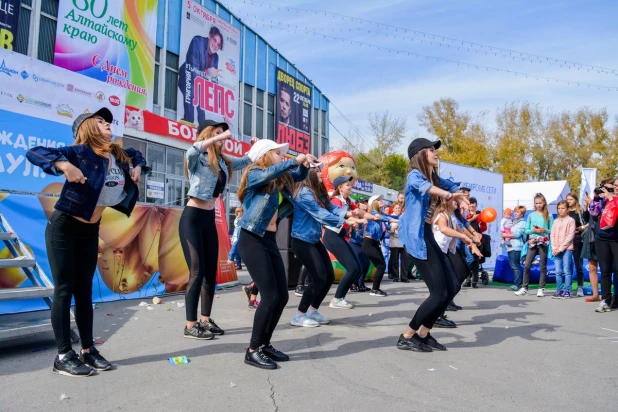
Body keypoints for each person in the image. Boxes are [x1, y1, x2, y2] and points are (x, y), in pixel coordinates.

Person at [26, 108, 149, 377]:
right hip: (64, 228)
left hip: (90, 231)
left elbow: (138, 155)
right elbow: (34, 152)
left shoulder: (118, 155)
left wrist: (138, 167)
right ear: (87, 129)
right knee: (64, 289)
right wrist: (64, 165)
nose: (108, 124)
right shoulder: (78, 153)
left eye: (109, 121)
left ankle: (88, 349)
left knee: (85, 292)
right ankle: (63, 355)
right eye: (101, 121)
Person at [236, 139, 310, 369]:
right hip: (252, 238)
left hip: (268, 239)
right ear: (266, 155)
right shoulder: (254, 173)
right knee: (269, 295)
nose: (281, 156)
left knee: (282, 296)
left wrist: (305, 164)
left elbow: (297, 176)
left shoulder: (278, 179)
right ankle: (253, 349)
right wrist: (292, 161)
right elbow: (277, 171)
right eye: (278, 153)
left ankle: (265, 344)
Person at [180, 120, 253, 340]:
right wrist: (216, 138)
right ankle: (190, 325)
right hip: (192, 219)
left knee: (211, 273)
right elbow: (191, 150)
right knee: (196, 271)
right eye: (217, 133)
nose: (223, 138)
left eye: (223, 134)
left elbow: (244, 162)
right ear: (208, 135)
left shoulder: (222, 161)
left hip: (209, 219)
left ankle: (205, 320)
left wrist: (256, 147)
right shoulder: (197, 157)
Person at [397, 138, 470, 352]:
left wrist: (460, 195)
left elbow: (451, 185)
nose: (435, 153)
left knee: (451, 287)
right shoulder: (415, 176)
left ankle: (424, 333)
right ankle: (406, 336)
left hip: (427, 234)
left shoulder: (433, 176)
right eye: (430, 150)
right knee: (438, 292)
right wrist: (450, 195)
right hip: (417, 237)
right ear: (420, 154)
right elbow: (426, 188)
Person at [291, 168, 363, 326]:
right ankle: (299, 315)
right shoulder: (304, 192)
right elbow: (320, 213)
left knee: (329, 276)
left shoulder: (317, 192)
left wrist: (348, 214)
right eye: (316, 171)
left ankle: (312, 311)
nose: (320, 174)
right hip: (301, 240)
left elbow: (330, 207)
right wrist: (344, 221)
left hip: (314, 239)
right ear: (308, 174)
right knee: (319, 277)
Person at [324, 175, 370, 308]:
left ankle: (340, 298)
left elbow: (360, 212)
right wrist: (357, 220)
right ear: (340, 188)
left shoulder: (348, 200)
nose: (351, 186)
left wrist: (375, 217)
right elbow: (346, 214)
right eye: (347, 185)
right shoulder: (336, 200)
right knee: (352, 268)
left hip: (340, 236)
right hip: (332, 236)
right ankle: (337, 299)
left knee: (357, 268)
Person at [179, 27, 225, 125]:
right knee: (190, 110)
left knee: (202, 111)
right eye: (214, 40)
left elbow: (214, 84)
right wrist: (208, 71)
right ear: (209, 36)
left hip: (199, 84)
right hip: (187, 77)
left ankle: (203, 132)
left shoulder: (216, 57)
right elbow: (192, 70)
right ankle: (187, 124)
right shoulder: (197, 42)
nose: (216, 45)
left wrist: (224, 112)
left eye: (218, 44)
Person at [515, 193, 553, 297]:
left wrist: (544, 230)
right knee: (527, 265)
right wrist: (533, 230)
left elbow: (552, 230)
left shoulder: (548, 215)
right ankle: (524, 288)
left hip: (543, 242)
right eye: (536, 203)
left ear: (544, 202)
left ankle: (541, 288)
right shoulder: (531, 215)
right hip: (532, 242)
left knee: (542, 266)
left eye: (540, 203)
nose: (538, 205)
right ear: (534, 204)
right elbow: (526, 231)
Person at [588, 178, 618, 313]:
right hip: (602, 238)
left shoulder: (613, 199)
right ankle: (605, 300)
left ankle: (616, 297)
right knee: (605, 270)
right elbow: (593, 213)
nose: (616, 188)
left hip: (616, 239)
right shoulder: (605, 200)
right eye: (615, 186)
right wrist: (596, 197)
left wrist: (612, 198)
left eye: (617, 186)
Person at [363, 195, 398, 297]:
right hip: (368, 242)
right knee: (380, 266)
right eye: (378, 200)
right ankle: (374, 289)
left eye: (381, 199)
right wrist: (394, 220)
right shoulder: (373, 213)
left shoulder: (380, 215)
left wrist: (393, 226)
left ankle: (374, 288)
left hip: (374, 243)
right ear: (373, 202)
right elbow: (384, 218)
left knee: (381, 265)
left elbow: (387, 226)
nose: (381, 201)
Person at [551, 200, 576, 299]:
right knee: (558, 271)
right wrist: (553, 247)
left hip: (567, 249)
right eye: (559, 208)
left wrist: (561, 248)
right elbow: (552, 234)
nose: (560, 210)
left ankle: (567, 290)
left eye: (563, 208)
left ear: (567, 209)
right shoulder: (555, 221)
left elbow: (570, 236)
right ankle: (559, 289)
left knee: (566, 270)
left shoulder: (571, 220)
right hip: (556, 248)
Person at [566, 193, 588, 297]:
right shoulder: (565, 211)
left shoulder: (581, 211)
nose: (569, 201)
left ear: (575, 200)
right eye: (567, 199)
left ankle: (580, 287)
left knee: (578, 264)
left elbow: (588, 222)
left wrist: (581, 228)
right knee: (567, 265)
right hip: (566, 240)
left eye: (570, 199)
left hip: (578, 239)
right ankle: (568, 287)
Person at [502, 206, 527, 291]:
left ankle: (518, 284)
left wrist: (505, 235)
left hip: (517, 247)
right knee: (514, 266)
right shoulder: (514, 222)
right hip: (511, 246)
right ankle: (517, 283)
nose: (515, 213)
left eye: (518, 212)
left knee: (515, 266)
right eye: (515, 211)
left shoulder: (522, 223)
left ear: (522, 214)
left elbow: (517, 234)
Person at [463, 197, 487, 288]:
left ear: (476, 205)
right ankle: (467, 280)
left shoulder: (480, 215)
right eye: (470, 204)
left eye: (474, 204)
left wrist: (482, 224)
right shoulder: (465, 215)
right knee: (469, 259)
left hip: (478, 240)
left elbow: (484, 228)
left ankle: (475, 281)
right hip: (468, 239)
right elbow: (463, 225)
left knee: (476, 260)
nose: (472, 205)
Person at [349, 198, 371, 292]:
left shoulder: (366, 217)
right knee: (359, 263)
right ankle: (354, 284)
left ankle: (361, 283)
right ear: (358, 205)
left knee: (366, 263)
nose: (365, 204)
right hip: (353, 242)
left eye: (366, 203)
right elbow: (352, 230)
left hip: (361, 243)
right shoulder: (356, 216)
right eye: (362, 203)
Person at [581, 191, 600, 302]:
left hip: (604, 237)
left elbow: (599, 215)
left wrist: (592, 203)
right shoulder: (595, 202)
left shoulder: (607, 201)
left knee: (609, 268)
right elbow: (586, 219)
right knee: (592, 267)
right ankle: (595, 294)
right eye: (596, 192)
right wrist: (586, 206)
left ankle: (610, 295)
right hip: (591, 237)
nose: (599, 193)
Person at [388, 202, 409, 283]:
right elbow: (386, 229)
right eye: (396, 208)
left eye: (399, 208)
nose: (397, 209)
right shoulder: (389, 217)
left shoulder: (404, 217)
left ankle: (404, 277)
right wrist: (392, 228)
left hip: (403, 241)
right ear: (393, 209)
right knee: (394, 260)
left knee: (405, 260)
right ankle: (395, 276)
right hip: (394, 241)